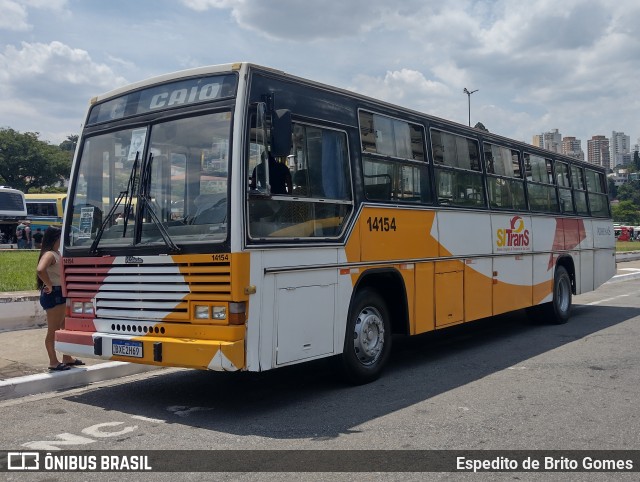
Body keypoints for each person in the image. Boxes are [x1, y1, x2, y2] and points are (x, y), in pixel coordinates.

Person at [36, 226, 85, 371]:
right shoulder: (50, 254)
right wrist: (49, 285)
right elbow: (40, 270)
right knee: (53, 329)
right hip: (55, 294)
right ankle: (53, 361)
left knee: (65, 326)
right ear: (56, 238)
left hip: (61, 293)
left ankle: (67, 357)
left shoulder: (57, 253)